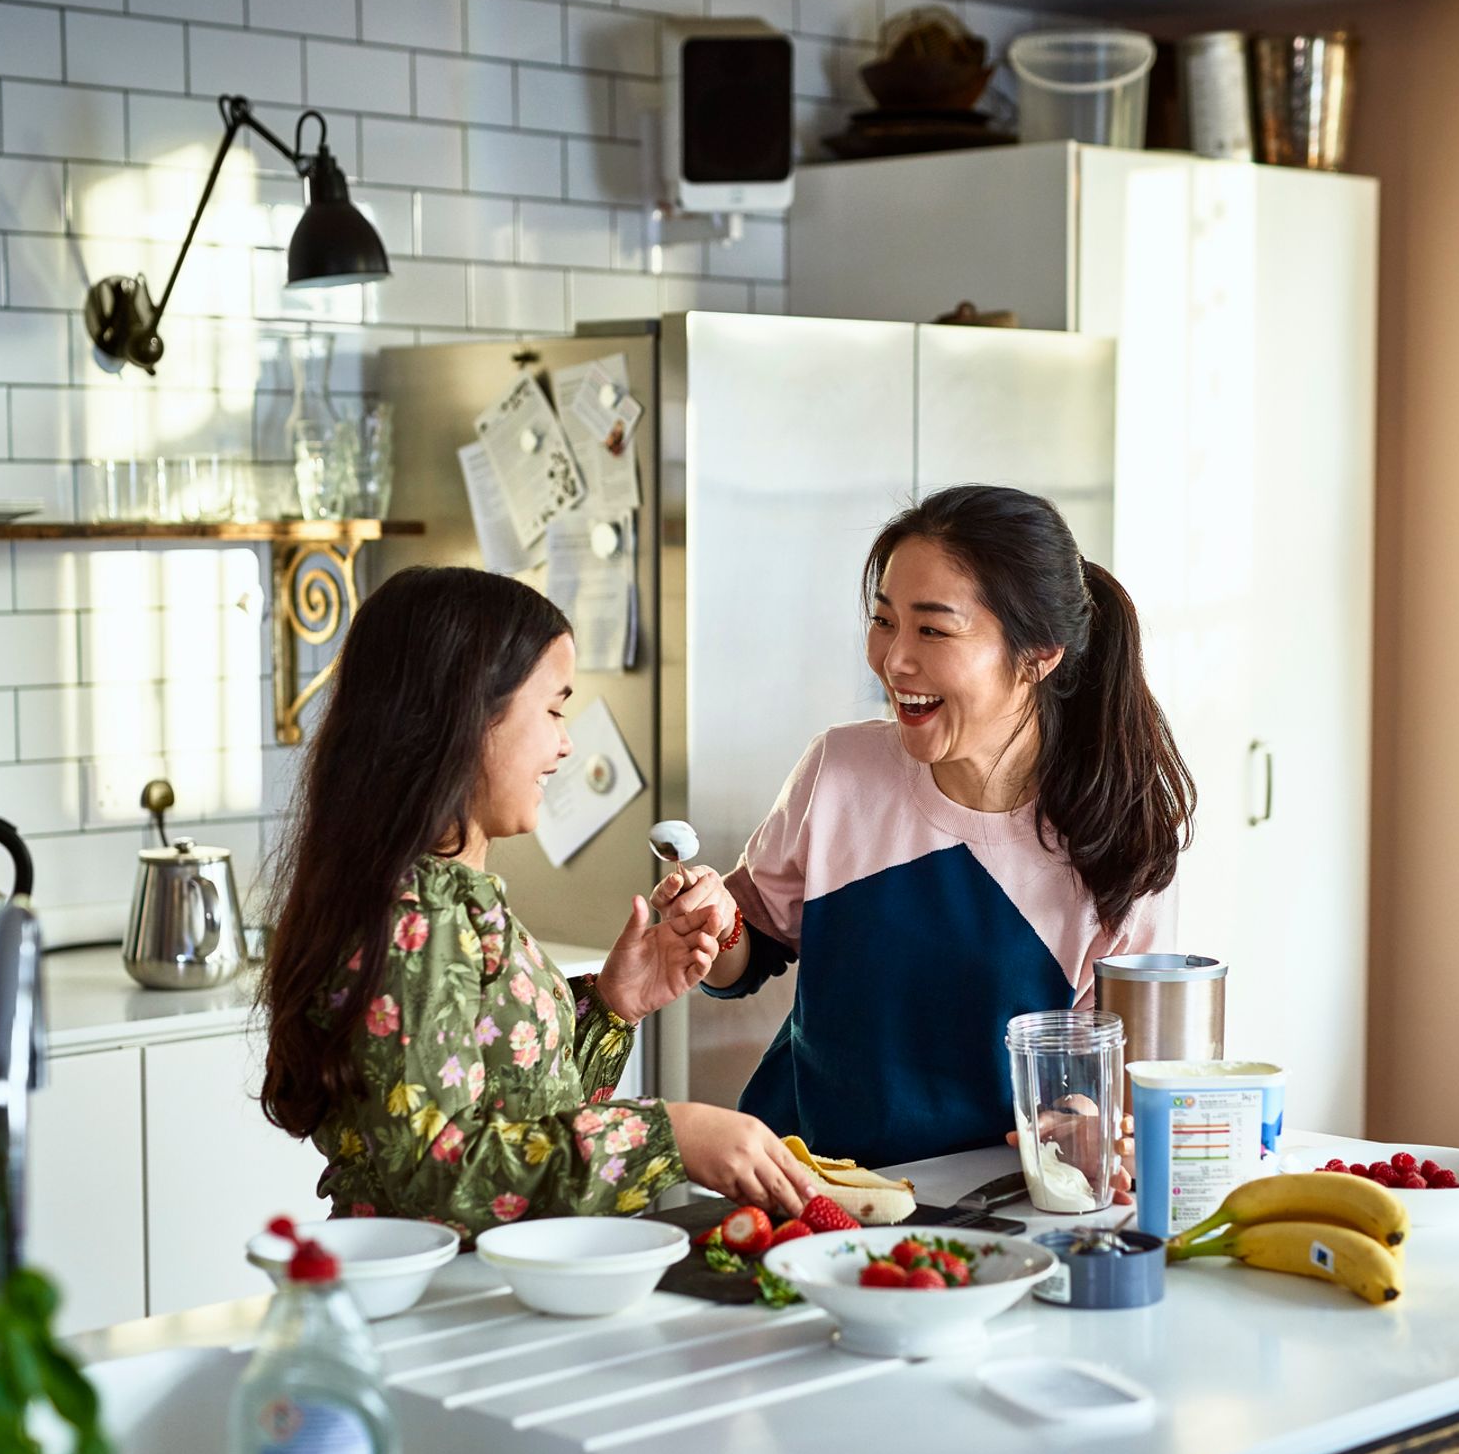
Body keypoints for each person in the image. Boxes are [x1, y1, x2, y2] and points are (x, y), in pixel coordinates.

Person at [258, 566, 817, 1239]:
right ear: (465, 714)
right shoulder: (414, 917)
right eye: (552, 707)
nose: (565, 741)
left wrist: (612, 1004)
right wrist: (667, 1134)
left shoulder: (453, 898)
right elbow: (444, 1179)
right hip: (438, 1305)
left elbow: (516, 1120)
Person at [662, 486, 1195, 1168]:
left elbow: (1107, 1080)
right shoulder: (839, 770)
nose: (892, 659)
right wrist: (711, 925)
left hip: (991, 1202)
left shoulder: (1120, 842)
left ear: (1038, 653)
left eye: (933, 630)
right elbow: (751, 947)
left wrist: (1089, 1120)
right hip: (806, 1185)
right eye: (884, 621)